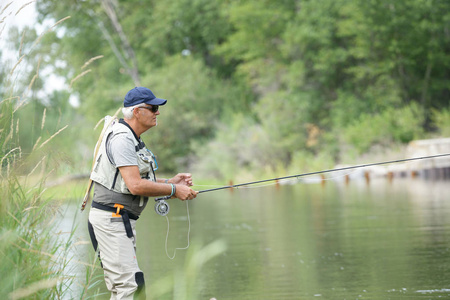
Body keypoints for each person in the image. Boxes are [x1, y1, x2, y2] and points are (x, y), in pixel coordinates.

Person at [87, 86, 198, 299]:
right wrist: (174, 189)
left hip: (119, 221)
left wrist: (170, 183)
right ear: (137, 111)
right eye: (154, 108)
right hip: (112, 221)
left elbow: (134, 181)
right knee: (129, 288)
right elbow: (135, 186)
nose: (158, 113)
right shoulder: (122, 139)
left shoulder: (131, 137)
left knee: (127, 286)